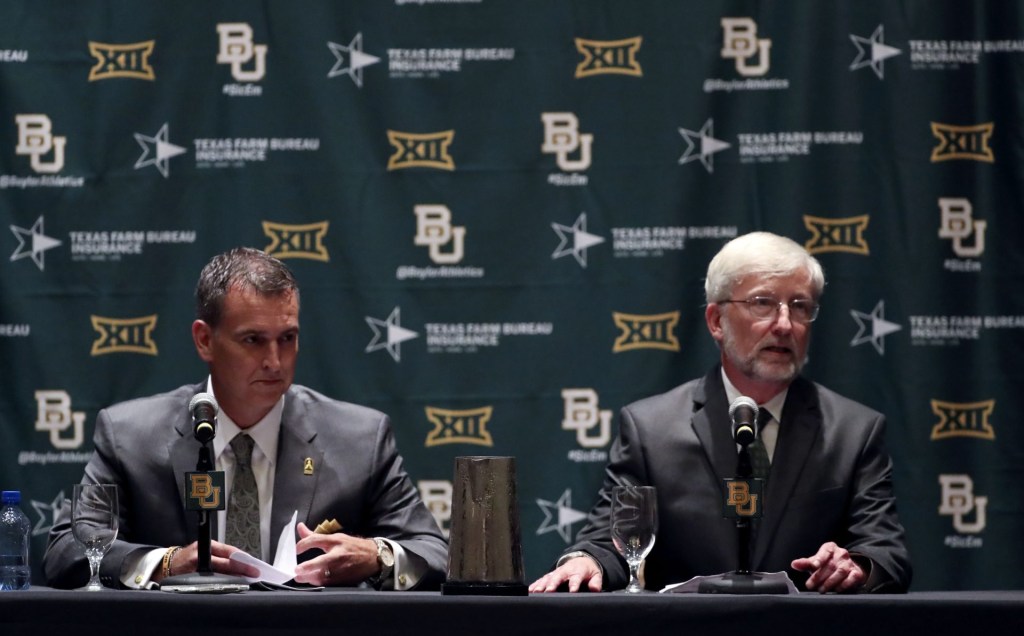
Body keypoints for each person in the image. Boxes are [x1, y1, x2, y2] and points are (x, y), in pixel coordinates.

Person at [43, 247, 448, 590]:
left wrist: (377, 555)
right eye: (253, 340)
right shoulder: (130, 437)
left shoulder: (359, 440)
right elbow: (67, 548)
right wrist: (165, 564)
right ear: (205, 340)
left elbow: (436, 552)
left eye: (287, 338)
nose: (275, 362)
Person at [530, 231, 911, 594]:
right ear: (716, 321)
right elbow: (612, 541)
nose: (784, 324)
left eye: (800, 306)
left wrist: (856, 566)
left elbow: (886, 554)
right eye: (762, 303)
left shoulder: (854, 431)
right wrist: (587, 562)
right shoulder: (650, 429)